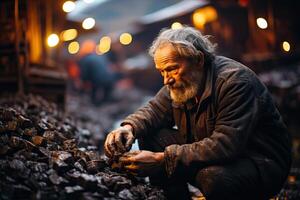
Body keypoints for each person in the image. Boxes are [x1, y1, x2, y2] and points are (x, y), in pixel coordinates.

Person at [104, 27, 292, 199]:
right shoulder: (183, 80)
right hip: (215, 154)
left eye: (171, 69)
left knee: (212, 177)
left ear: (199, 60)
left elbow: (225, 144)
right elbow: (154, 110)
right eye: (162, 72)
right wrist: (128, 128)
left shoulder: (235, 82)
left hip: (259, 163)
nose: (166, 80)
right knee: (150, 134)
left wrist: (161, 159)